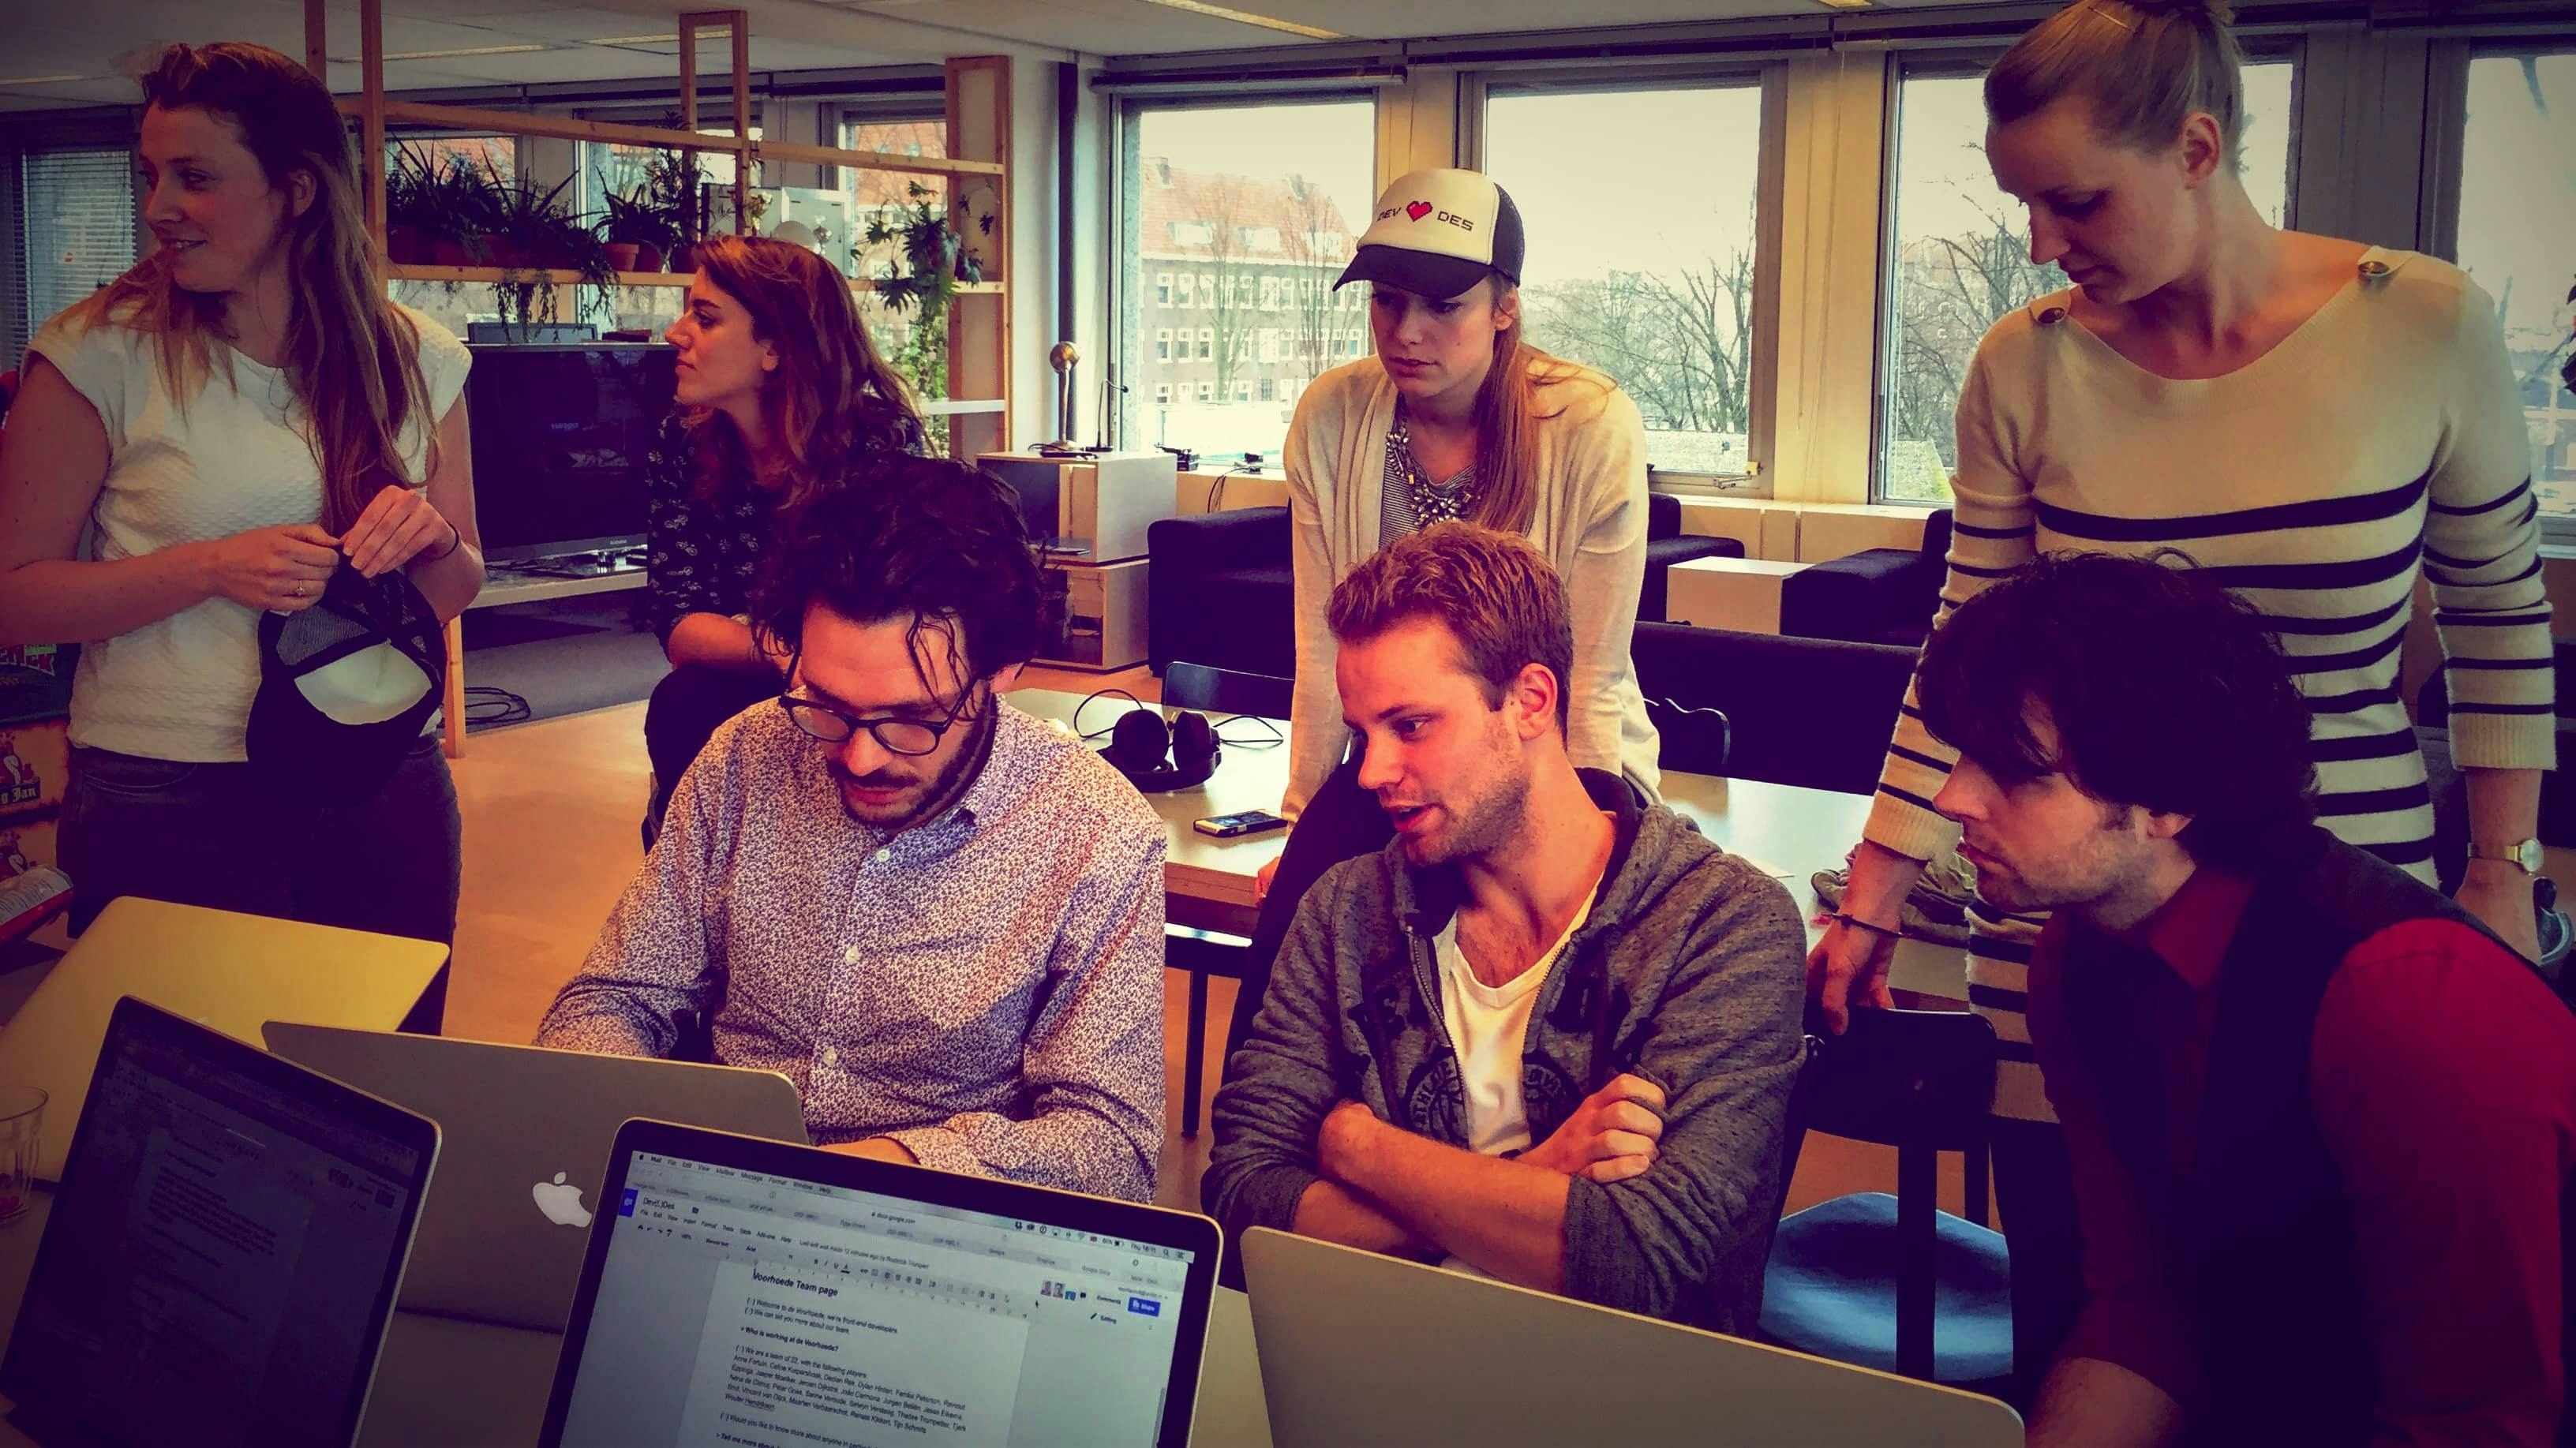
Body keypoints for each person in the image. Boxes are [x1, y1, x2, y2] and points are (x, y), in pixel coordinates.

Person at [1804, 0, 2555, 1398]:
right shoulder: (2022, 364)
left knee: (2336, 1346)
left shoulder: (2423, 326)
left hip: (2345, 912)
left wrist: (2498, 873)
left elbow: (2499, 614)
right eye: (2021, 202)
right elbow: (1965, 647)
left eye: (2072, 199)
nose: (2038, 242)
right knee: (2093, 1315)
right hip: (2090, 922)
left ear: (2196, 149)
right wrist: (1874, 883)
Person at [1913, 550, 2574, 1447]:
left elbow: (2484, 1421)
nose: (1953, 794)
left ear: (2171, 797)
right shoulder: (2077, 957)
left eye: (2016, 770)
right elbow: (2146, 1308)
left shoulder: (2407, 1004)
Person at [1204, 522, 1805, 1330]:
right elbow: (1245, 1200)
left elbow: (1641, 1259)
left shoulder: (1721, 923)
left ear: (1529, 701)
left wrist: (1358, 1149)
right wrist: (1537, 1174)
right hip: (1372, 1379)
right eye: (1362, 734)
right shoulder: (1345, 910)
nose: (1374, 772)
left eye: (1411, 726)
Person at [537, 453, 1167, 1201]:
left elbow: (1112, 1147)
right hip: (712, 1196)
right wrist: (634, 1128)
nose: (859, 755)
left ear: (1003, 668)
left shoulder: (1095, 831)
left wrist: (865, 1175)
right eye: (827, 703)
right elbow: (608, 999)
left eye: (912, 719)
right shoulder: (744, 757)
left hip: (935, 1225)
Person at [0, 43, 479, 1022]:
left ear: (297, 190)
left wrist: (427, 541)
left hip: (380, 775)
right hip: (167, 791)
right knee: (181, 1123)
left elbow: (460, 579)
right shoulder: (97, 354)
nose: (158, 207)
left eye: (196, 177)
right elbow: (13, 596)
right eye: (151, 175)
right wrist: (212, 566)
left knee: (375, 1091)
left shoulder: (417, 356)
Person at [1226, 165, 1662, 1061]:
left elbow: (1591, 676)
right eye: (1387, 301)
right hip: (1392, 761)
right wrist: (1306, 815)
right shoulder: (1334, 417)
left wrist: (1576, 859)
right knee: (1276, 1007)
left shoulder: (1590, 425)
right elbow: (1320, 636)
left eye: (1444, 306)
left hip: (1546, 771)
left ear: (1505, 305)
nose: (1407, 332)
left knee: (1543, 1026)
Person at [641, 234, 924, 844]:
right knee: (684, 701)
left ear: (774, 347)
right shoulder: (681, 444)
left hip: (866, 684)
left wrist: (797, 656)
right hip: (755, 674)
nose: (676, 332)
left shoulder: (878, 446)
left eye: (705, 317)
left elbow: (900, 616)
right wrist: (780, 650)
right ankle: (706, 879)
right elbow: (679, 624)